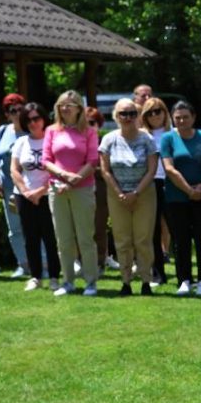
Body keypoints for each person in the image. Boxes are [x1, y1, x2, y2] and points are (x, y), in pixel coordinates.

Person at [99, 98, 158, 296]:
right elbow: (105, 171)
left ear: (138, 116)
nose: (128, 118)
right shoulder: (108, 139)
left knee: (143, 239)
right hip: (117, 195)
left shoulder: (147, 139)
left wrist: (136, 193)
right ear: (116, 116)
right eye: (123, 114)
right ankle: (126, 281)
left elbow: (152, 170)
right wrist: (120, 193)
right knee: (122, 239)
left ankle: (146, 281)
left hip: (144, 194)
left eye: (132, 113)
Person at [42, 90, 100, 296]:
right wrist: (63, 175)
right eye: (61, 105)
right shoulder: (51, 131)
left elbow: (93, 160)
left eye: (69, 105)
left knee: (85, 238)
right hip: (57, 190)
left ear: (78, 109)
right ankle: (68, 282)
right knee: (63, 239)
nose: (65, 108)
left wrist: (75, 179)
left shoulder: (89, 132)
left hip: (82, 188)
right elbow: (46, 159)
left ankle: (91, 282)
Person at [160, 101, 201, 296]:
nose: (182, 121)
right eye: (177, 118)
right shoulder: (168, 138)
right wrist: (188, 190)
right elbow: (169, 168)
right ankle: (184, 279)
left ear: (193, 117)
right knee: (181, 240)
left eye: (185, 117)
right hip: (177, 197)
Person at [9, 102, 61, 292]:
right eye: (28, 120)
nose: (33, 123)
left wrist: (40, 192)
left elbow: (58, 171)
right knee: (30, 238)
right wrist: (25, 191)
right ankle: (35, 277)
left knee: (50, 237)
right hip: (25, 197)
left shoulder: (53, 140)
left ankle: (55, 276)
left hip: (49, 195)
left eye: (36, 118)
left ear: (44, 119)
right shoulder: (21, 142)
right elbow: (14, 169)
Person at [0, 93, 29, 277]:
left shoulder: (32, 130)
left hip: (30, 187)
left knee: (33, 226)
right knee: (14, 228)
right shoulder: (2, 131)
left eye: (19, 109)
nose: (16, 113)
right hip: (8, 187)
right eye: (11, 110)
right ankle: (23, 264)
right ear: (7, 114)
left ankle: (43, 263)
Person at [140, 97, 172, 285]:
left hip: (172, 184)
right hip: (151, 184)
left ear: (164, 113)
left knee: (177, 229)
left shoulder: (173, 133)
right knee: (152, 232)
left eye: (157, 111)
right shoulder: (143, 136)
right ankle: (158, 273)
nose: (154, 115)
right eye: (149, 112)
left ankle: (185, 276)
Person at [86, 106, 117, 275]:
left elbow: (109, 168)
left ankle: (100, 262)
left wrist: (92, 169)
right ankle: (80, 261)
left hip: (100, 189)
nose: (89, 126)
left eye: (92, 123)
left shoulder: (105, 142)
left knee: (99, 227)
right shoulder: (77, 142)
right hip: (80, 189)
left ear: (99, 124)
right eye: (85, 122)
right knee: (81, 228)